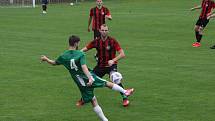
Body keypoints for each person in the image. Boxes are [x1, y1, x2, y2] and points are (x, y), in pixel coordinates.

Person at [40, 35, 134, 121]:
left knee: (93, 100)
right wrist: (90, 78)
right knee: (105, 83)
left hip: (79, 81)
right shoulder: (80, 54)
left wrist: (46, 59)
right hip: (87, 76)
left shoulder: (63, 56)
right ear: (76, 43)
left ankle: (104, 120)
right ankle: (125, 91)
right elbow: (84, 67)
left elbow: (54, 63)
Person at [81, 24, 130, 107]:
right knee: (90, 80)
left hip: (111, 66)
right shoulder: (96, 41)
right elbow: (84, 49)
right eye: (102, 30)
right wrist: (77, 53)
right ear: (100, 31)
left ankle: (125, 97)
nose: (104, 32)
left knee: (116, 78)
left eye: (106, 30)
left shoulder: (112, 41)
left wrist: (113, 60)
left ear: (108, 31)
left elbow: (122, 54)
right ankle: (85, 98)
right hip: (100, 66)